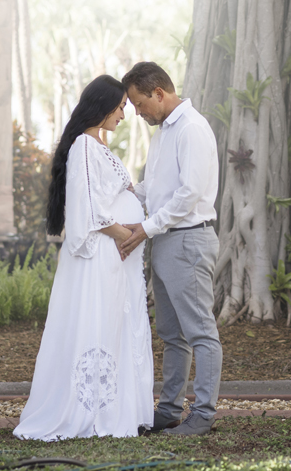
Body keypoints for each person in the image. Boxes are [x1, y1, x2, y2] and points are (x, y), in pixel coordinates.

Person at [13, 75, 153, 441]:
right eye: (122, 106)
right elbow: (88, 209)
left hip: (115, 256)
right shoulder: (85, 148)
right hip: (101, 256)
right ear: (104, 105)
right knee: (98, 324)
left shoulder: (96, 146)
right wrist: (129, 234)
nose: (124, 114)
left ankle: (115, 408)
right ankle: (92, 412)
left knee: (114, 326)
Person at [119, 62, 221, 436]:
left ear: (158, 93)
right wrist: (123, 193)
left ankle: (204, 415)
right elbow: (156, 187)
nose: (136, 111)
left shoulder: (192, 128)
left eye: (138, 103)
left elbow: (189, 194)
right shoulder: (164, 131)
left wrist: (145, 228)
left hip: (188, 239)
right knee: (172, 334)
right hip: (165, 239)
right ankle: (169, 411)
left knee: (200, 333)